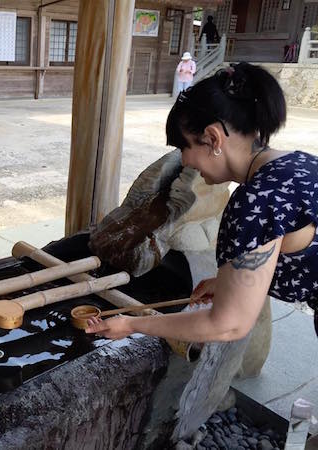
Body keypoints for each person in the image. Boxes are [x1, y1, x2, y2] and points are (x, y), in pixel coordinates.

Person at [87, 63, 318, 341]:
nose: (184, 160)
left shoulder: (254, 201)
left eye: (185, 147)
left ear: (212, 138)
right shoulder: (300, 162)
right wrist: (226, 282)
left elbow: (228, 324)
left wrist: (131, 325)